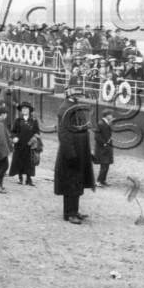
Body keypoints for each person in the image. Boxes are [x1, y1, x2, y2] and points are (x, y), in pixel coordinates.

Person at [54, 88, 96, 224]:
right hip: (71, 154)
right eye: (76, 91)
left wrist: (86, 151)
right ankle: (69, 213)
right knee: (71, 183)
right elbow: (63, 134)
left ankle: (75, 211)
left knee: (77, 183)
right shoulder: (65, 109)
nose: (79, 94)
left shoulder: (75, 106)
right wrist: (71, 154)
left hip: (80, 151)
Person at [9, 101, 41, 187]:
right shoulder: (18, 120)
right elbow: (12, 131)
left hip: (30, 144)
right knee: (19, 160)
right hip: (19, 144)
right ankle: (20, 178)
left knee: (29, 161)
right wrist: (14, 137)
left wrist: (34, 139)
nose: (24, 110)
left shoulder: (34, 120)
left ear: (29, 110)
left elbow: (37, 132)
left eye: (26, 108)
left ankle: (28, 179)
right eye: (23, 108)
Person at [94, 109, 114, 187]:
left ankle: (102, 180)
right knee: (104, 164)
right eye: (111, 115)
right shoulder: (101, 123)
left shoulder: (105, 123)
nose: (112, 116)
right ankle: (99, 181)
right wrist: (104, 144)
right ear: (107, 115)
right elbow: (97, 136)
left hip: (106, 147)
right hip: (102, 148)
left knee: (106, 164)